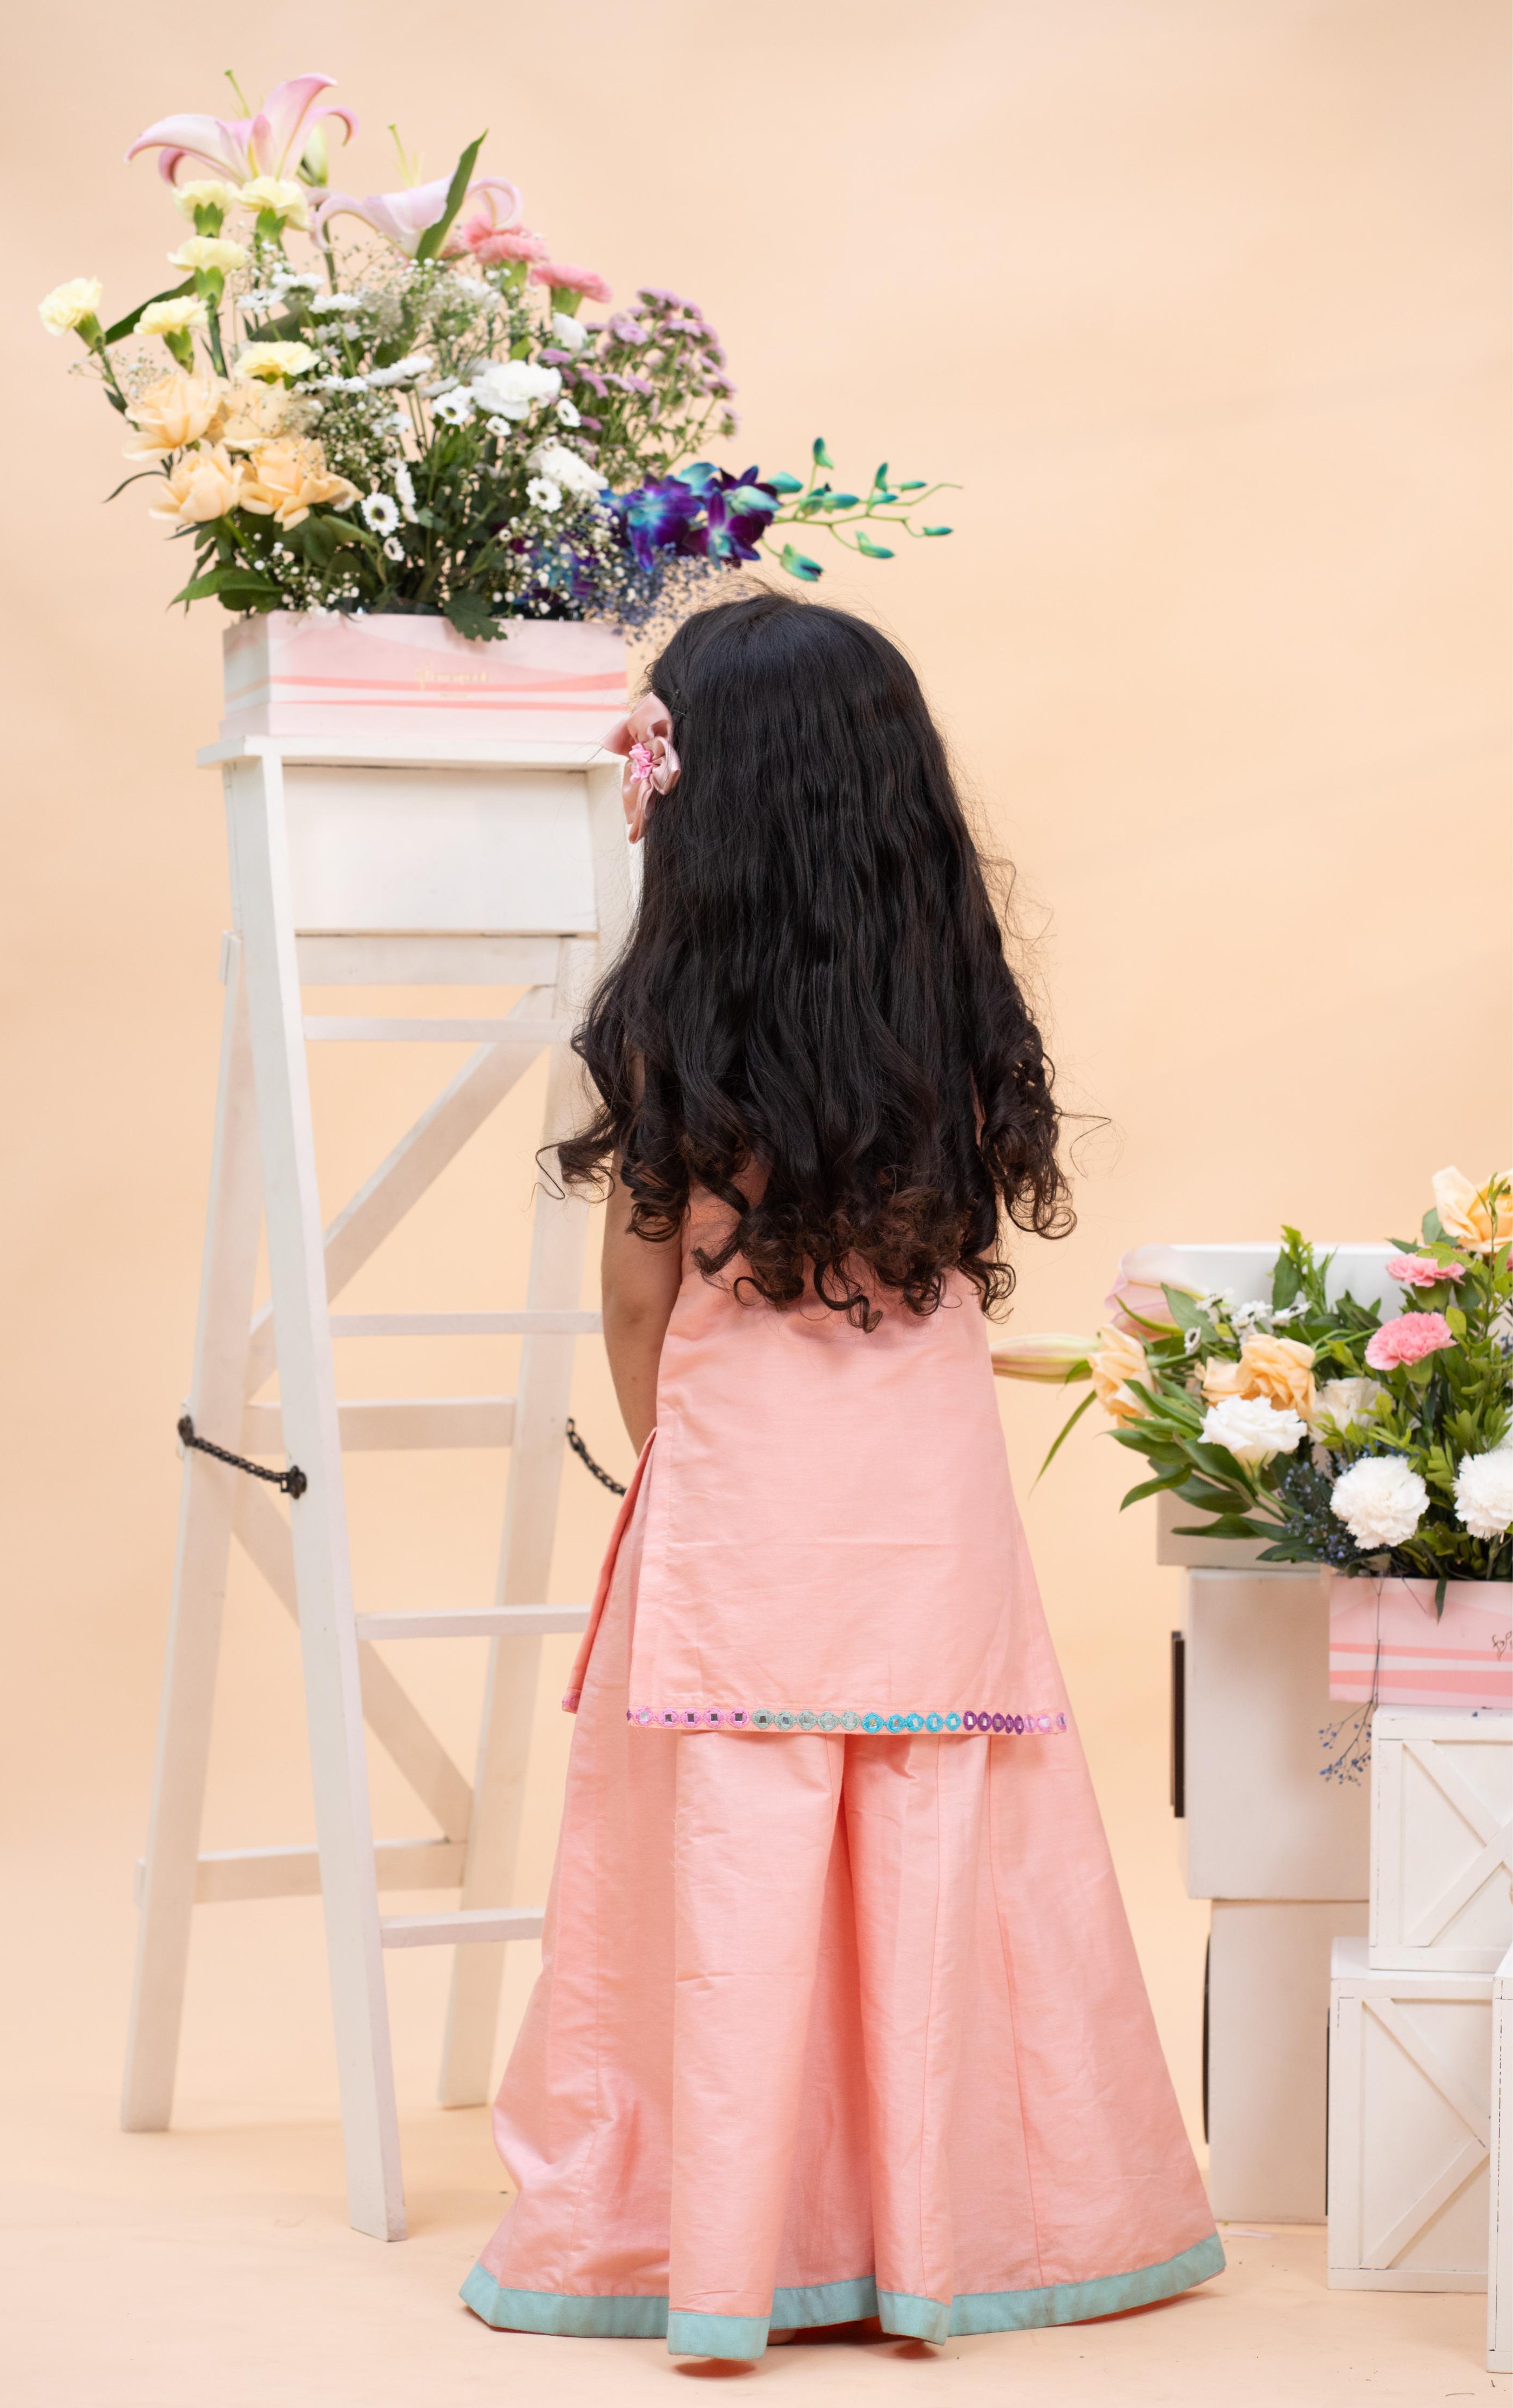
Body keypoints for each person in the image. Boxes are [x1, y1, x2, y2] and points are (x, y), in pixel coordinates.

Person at [461, 593, 1222, 2361]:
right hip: (926, 1501)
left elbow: (638, 1305)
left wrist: (677, 1465)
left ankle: (738, 2251)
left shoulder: (673, 1027)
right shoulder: (951, 1012)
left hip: (744, 1495)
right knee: (940, 1837)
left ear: (700, 807)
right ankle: (943, 2239)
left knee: (731, 1865)